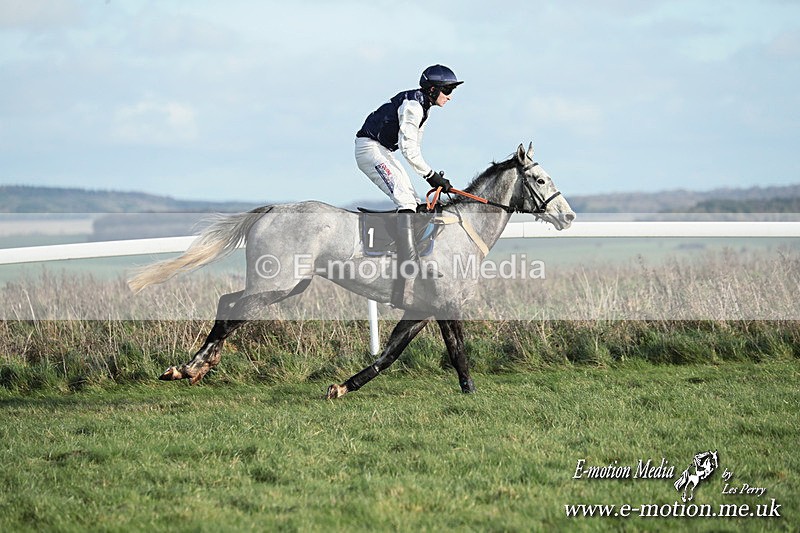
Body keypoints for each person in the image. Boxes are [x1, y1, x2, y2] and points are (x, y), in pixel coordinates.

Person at [355, 64, 463, 306]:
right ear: (433, 89)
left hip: (382, 149)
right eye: (447, 90)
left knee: (414, 203)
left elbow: (413, 151)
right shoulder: (413, 107)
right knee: (405, 201)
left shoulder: (424, 106)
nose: (450, 96)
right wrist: (432, 176)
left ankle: (405, 256)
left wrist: (431, 176)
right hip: (370, 149)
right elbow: (409, 150)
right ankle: (408, 268)